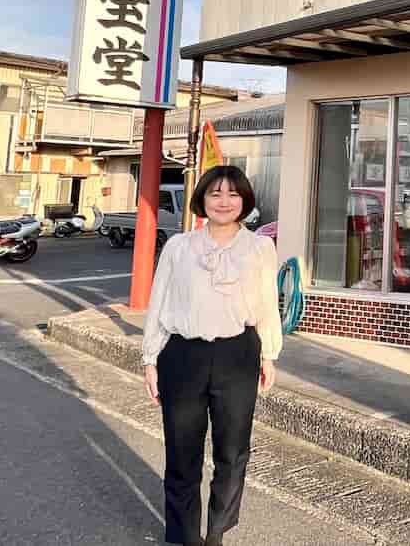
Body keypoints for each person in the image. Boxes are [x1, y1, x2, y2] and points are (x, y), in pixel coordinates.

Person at [141, 165, 283, 546]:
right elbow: (159, 302)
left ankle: (216, 531)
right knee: (181, 451)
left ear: (245, 201)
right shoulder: (179, 247)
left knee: (233, 451)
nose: (224, 201)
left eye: (233, 194)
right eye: (215, 194)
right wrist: (150, 358)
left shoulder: (260, 247)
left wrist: (269, 355)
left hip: (238, 354)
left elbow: (269, 304)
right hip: (182, 356)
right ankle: (184, 536)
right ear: (201, 199)